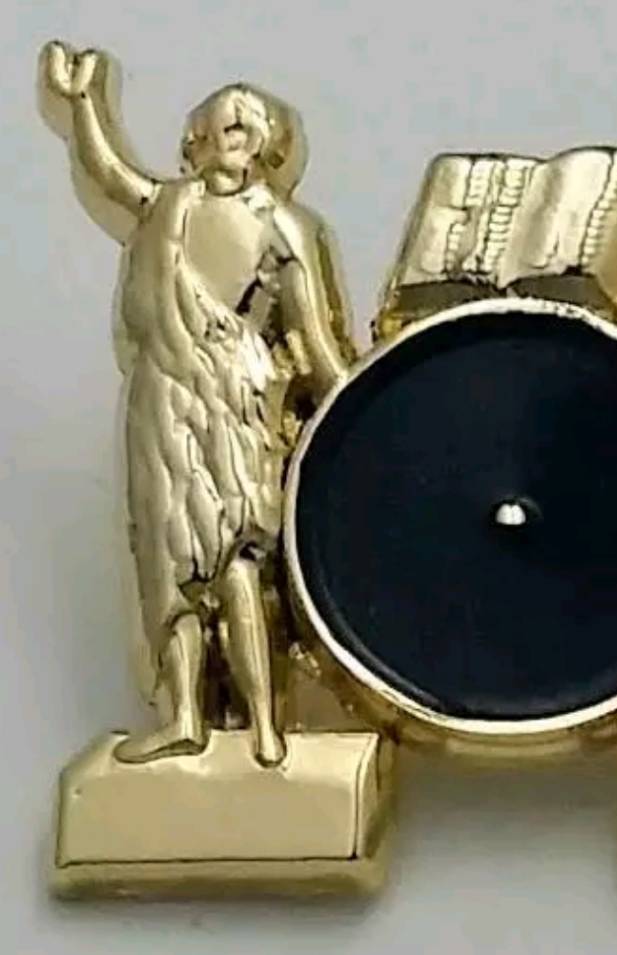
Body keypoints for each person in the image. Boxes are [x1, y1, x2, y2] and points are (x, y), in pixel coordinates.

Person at [40, 41, 355, 766]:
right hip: (164, 404)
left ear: (270, 142)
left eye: (241, 127)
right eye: (212, 127)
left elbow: (315, 343)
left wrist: (369, 409)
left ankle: (267, 723)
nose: (224, 138)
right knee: (168, 569)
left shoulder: (286, 227)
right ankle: (185, 716)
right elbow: (109, 175)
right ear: (194, 141)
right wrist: (83, 105)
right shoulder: (169, 206)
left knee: (241, 561)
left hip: (239, 408)